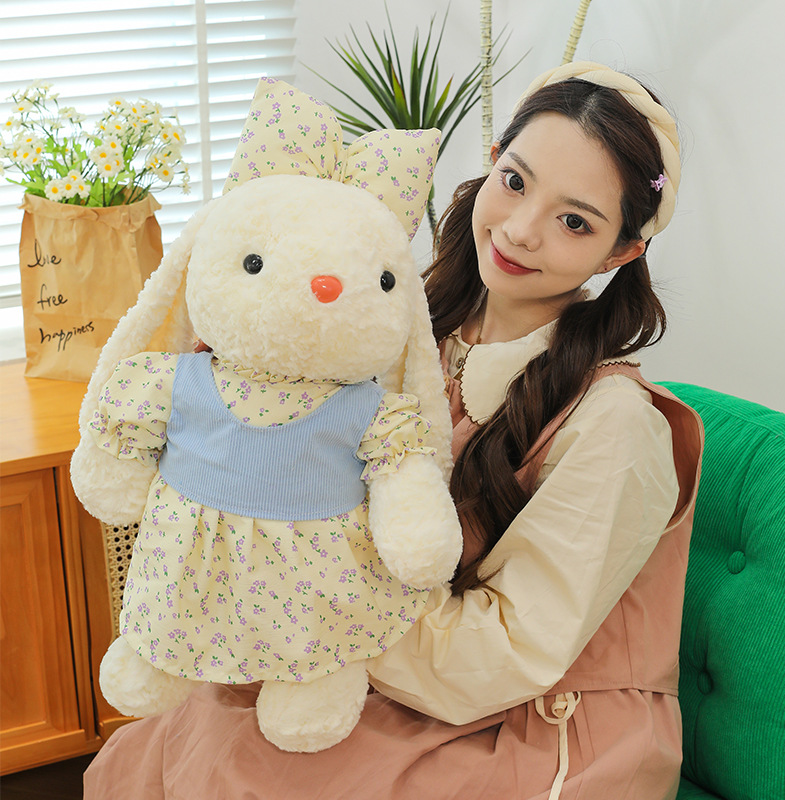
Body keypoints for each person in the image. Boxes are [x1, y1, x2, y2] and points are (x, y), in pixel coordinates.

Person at [83, 61, 703, 800]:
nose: (520, 230)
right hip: (375, 656)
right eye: (514, 181)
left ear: (622, 251)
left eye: (575, 221)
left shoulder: (616, 426)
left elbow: (508, 650)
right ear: (492, 163)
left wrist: (295, 595)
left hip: (534, 722)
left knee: (233, 769)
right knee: (167, 742)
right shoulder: (405, 328)